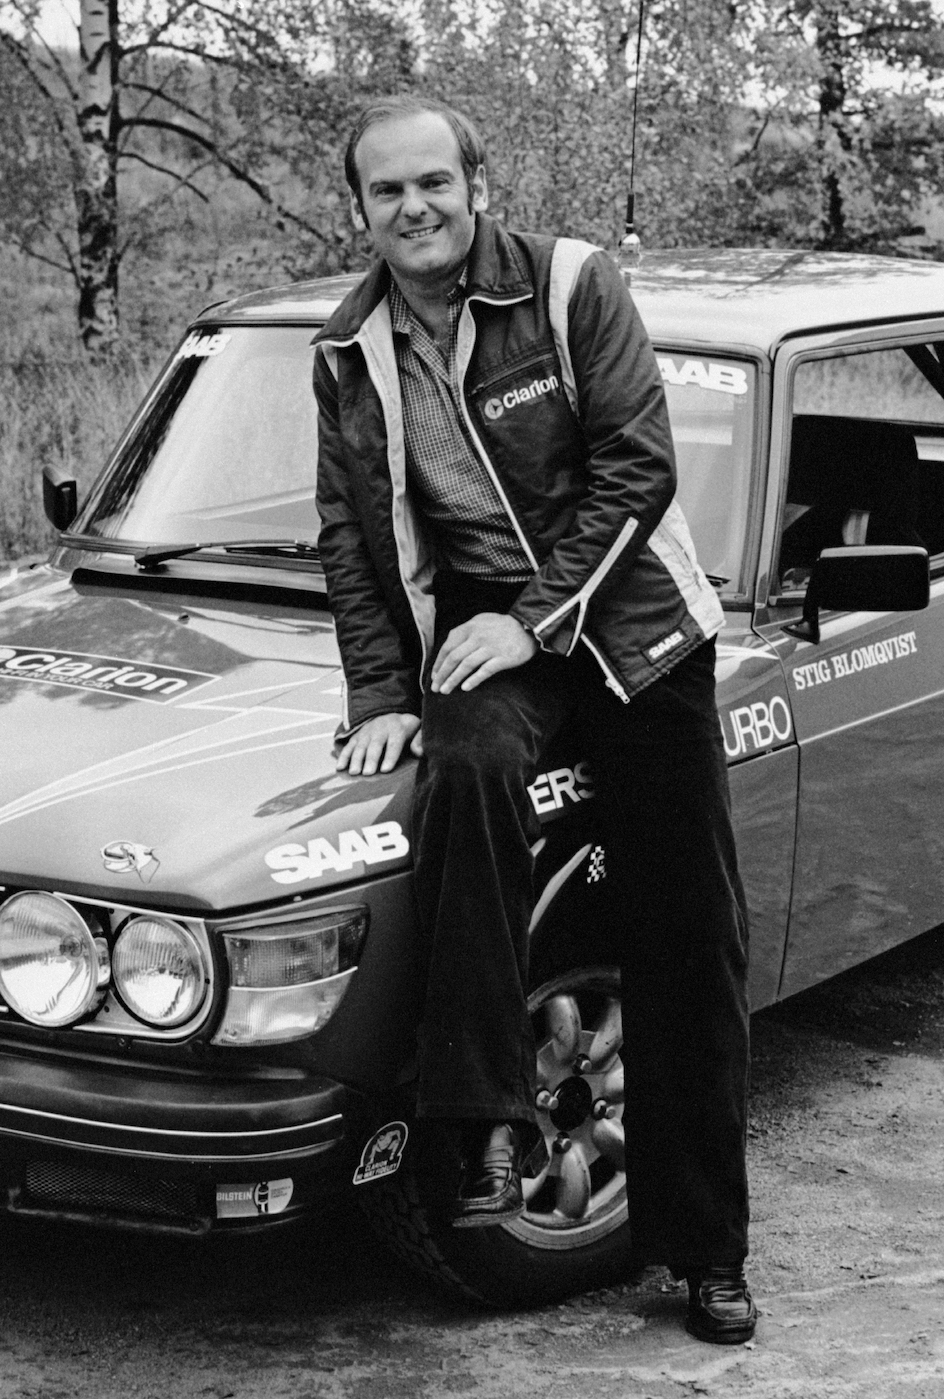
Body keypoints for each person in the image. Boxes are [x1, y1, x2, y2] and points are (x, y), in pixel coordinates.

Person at [311, 95, 757, 1344]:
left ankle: (704, 1250)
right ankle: (486, 1137)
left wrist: (537, 619)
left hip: (630, 631)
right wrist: (380, 696)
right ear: (363, 210)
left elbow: (637, 463)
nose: (416, 208)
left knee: (685, 931)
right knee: (457, 792)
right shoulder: (348, 347)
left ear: (477, 183)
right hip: (484, 638)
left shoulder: (570, 286)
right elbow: (349, 536)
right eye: (388, 192)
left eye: (435, 183)